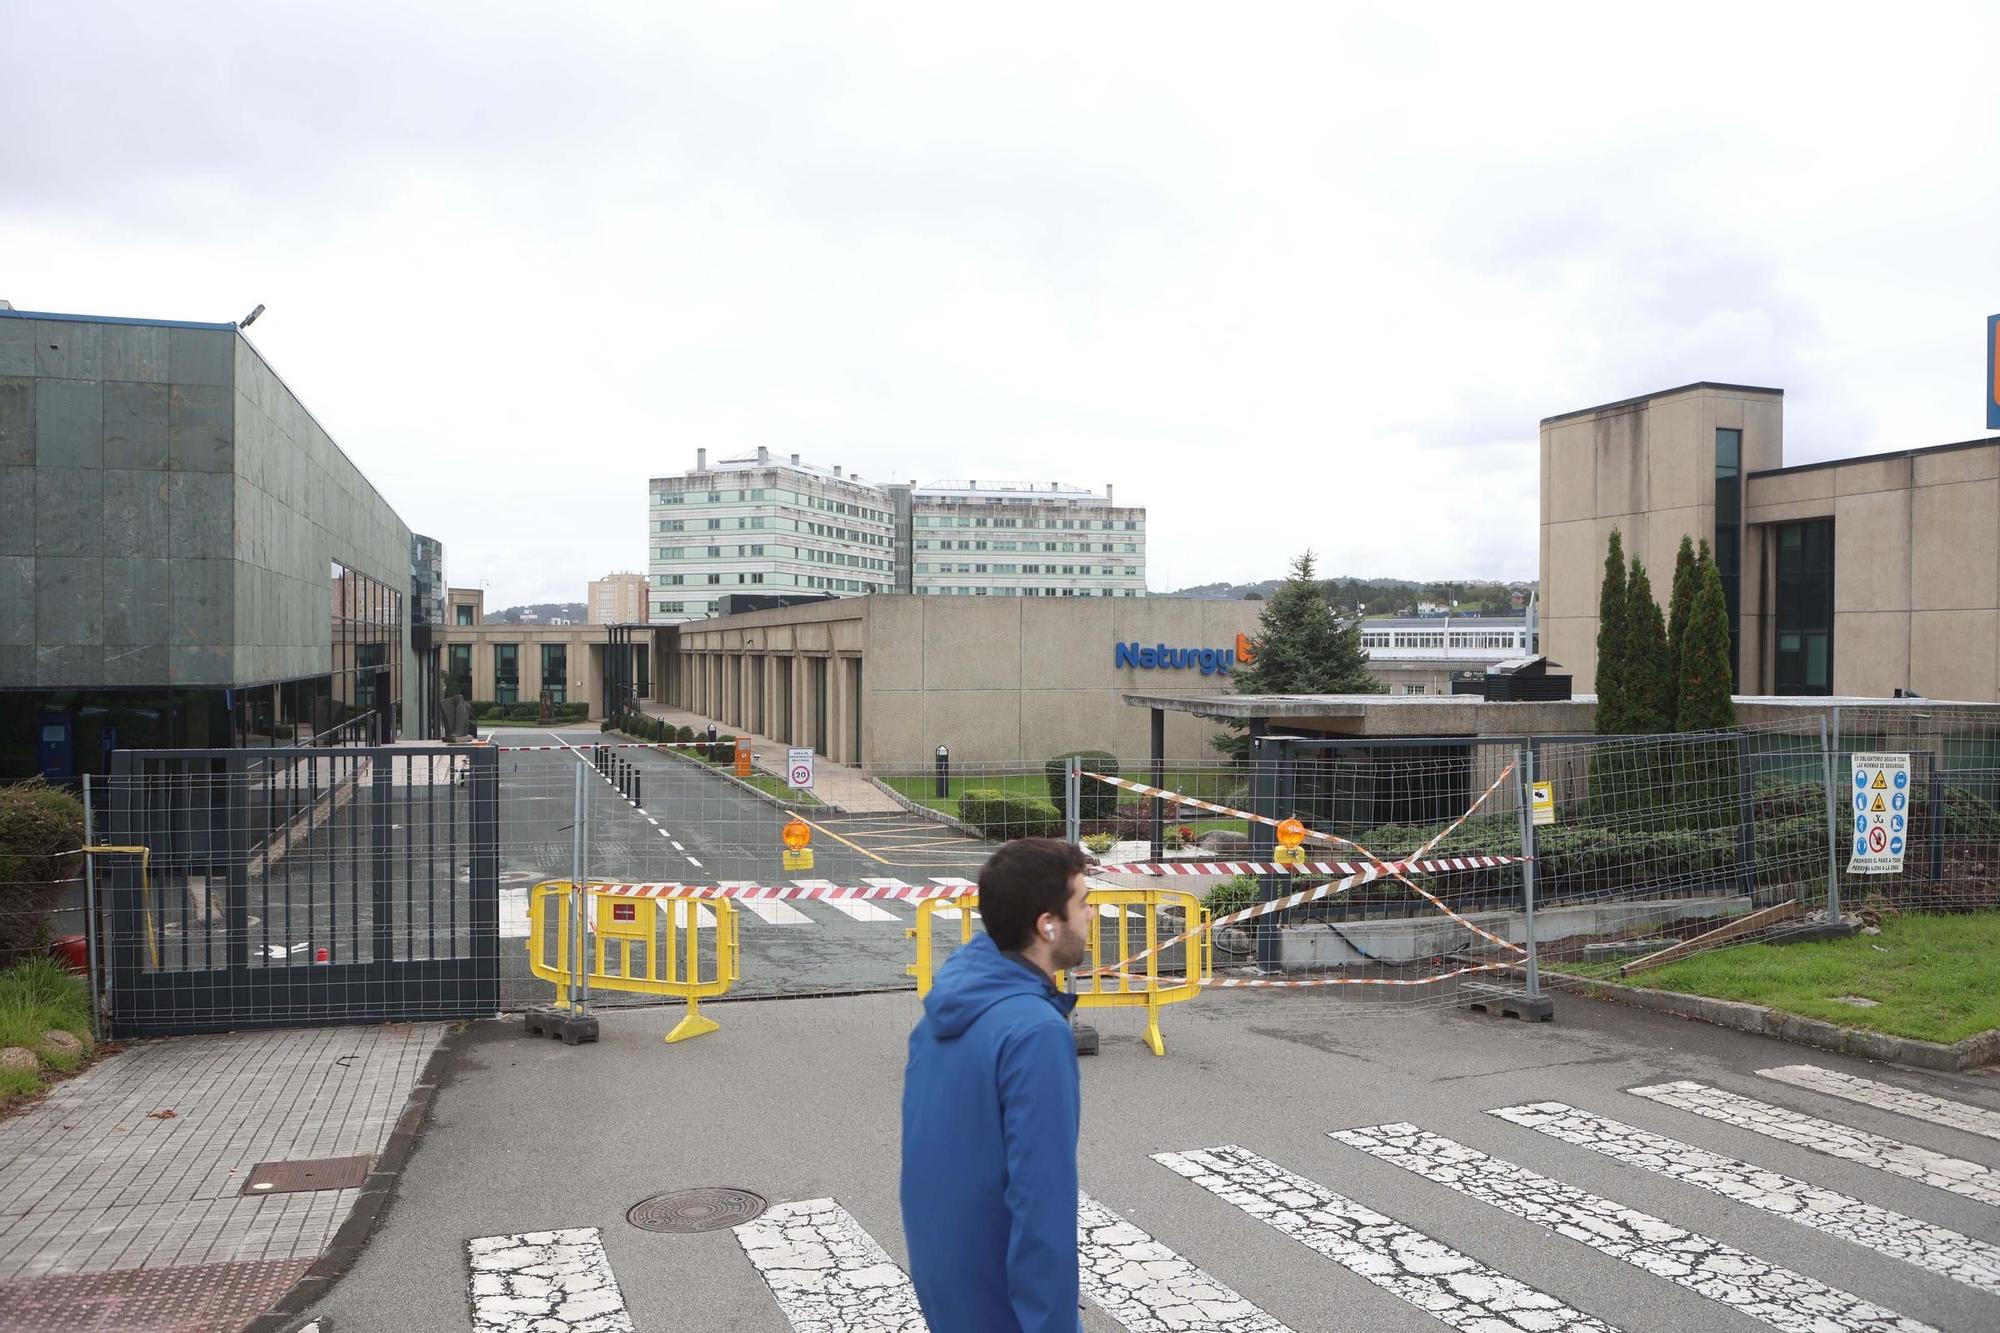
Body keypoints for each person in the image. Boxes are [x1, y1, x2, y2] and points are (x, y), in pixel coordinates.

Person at [901, 837, 1093, 1333]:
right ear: (1047, 924)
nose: (1091, 916)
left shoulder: (950, 1006)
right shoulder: (1035, 1032)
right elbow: (1042, 1205)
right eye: (1083, 903)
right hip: (1001, 1296)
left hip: (948, 1278)